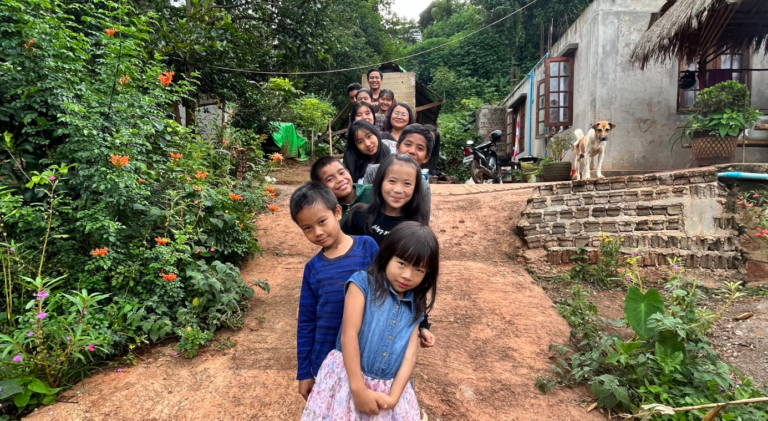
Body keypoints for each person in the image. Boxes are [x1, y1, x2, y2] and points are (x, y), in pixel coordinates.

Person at [300, 222, 439, 420]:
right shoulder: (362, 284)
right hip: (347, 381)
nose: (407, 275)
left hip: (389, 390)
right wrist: (358, 390)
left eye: (419, 270)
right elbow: (349, 334)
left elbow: (410, 355)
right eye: (401, 263)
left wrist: (393, 399)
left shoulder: (415, 305)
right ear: (387, 256)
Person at [291, 182, 380, 402]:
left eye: (322, 221)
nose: (318, 232)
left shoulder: (367, 248)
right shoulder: (312, 269)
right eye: (307, 228)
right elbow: (306, 321)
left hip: (367, 354)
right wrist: (304, 372)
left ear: (337, 212)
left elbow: (386, 295)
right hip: (327, 360)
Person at [343, 153, 428, 244]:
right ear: (380, 182)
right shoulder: (358, 215)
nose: (398, 190)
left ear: (415, 188)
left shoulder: (417, 229)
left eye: (407, 183)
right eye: (392, 181)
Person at [363, 124, 434, 221]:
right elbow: (365, 206)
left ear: (426, 158)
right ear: (397, 147)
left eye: (420, 148)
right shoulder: (374, 172)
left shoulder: (423, 186)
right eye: (408, 144)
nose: (412, 151)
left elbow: (423, 223)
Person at [310, 156, 373, 225]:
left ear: (348, 172)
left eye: (341, 173)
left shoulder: (374, 192)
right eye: (330, 179)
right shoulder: (329, 213)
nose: (339, 180)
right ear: (321, 188)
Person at [343, 120, 391, 185]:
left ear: (375, 133)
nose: (367, 144)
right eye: (360, 142)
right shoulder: (354, 166)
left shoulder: (393, 153)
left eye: (369, 136)